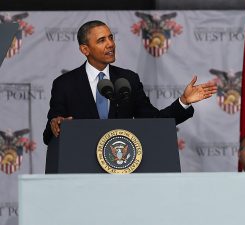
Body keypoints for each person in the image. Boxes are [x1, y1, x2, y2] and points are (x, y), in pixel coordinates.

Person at [43, 20, 217, 145]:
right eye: (102, 40)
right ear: (85, 49)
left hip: (122, 166)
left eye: (111, 38)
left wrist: (183, 102)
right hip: (82, 171)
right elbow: (51, 130)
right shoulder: (64, 84)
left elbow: (153, 121)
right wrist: (55, 124)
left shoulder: (128, 79)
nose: (110, 44)